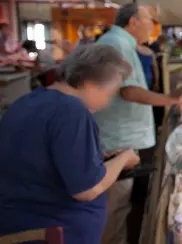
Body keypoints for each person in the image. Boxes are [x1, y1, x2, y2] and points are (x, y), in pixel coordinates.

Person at [0, 44, 140, 244]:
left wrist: (98, 159)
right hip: (53, 232)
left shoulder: (27, 101)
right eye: (110, 93)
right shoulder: (72, 110)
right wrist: (125, 157)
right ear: (90, 82)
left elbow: (43, 159)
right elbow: (88, 188)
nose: (107, 103)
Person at [94, 3, 182, 244]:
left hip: (121, 136)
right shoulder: (117, 44)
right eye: (149, 21)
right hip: (117, 138)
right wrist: (171, 99)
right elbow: (129, 91)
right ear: (133, 21)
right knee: (116, 206)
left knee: (121, 205)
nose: (152, 27)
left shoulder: (121, 43)